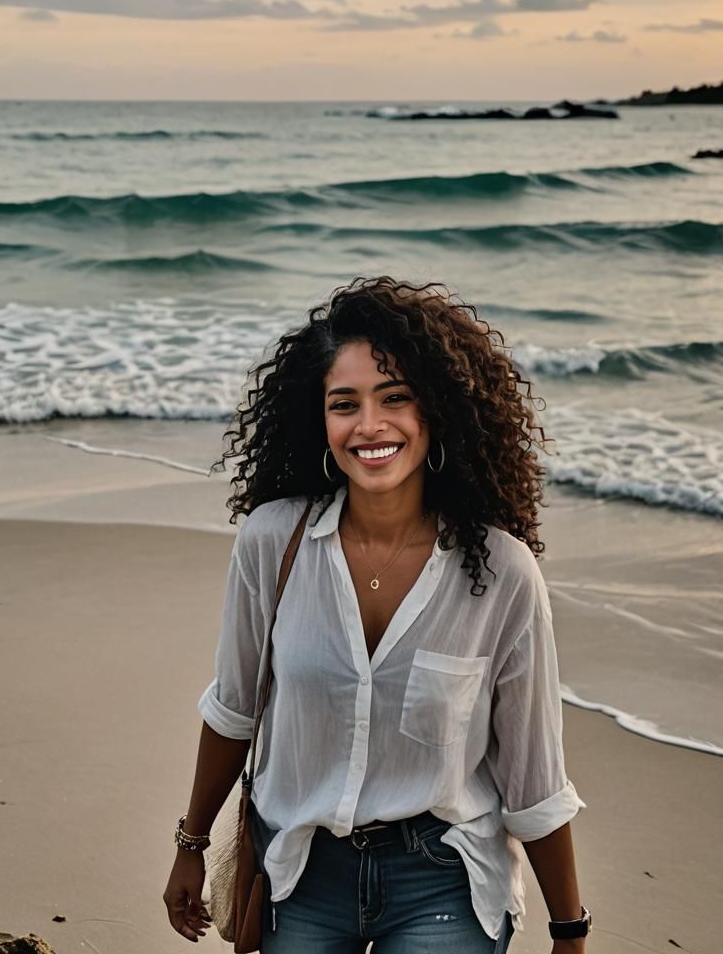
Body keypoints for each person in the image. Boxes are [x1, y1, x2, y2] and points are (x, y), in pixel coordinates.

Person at [163, 276, 589, 952]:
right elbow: (235, 710)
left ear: (437, 409)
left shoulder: (502, 575)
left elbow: (533, 778)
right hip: (300, 869)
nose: (369, 425)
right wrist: (191, 843)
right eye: (345, 404)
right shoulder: (272, 542)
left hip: (443, 876)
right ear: (320, 421)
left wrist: (569, 929)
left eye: (395, 397)